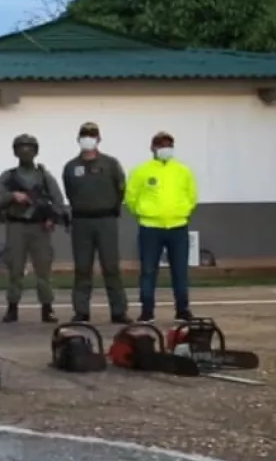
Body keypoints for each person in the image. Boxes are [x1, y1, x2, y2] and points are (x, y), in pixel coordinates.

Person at [0, 134, 66, 324]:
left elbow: (58, 201)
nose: (25, 151)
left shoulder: (44, 177)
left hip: (39, 228)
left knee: (43, 270)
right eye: (21, 148)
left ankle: (47, 308)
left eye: (29, 148)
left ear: (36, 151)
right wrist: (12, 196)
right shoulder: (8, 177)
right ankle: (12, 308)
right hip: (16, 226)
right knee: (15, 269)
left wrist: (51, 218)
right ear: (15, 152)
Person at [125, 131, 198, 323]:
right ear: (152, 148)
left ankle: (182, 310)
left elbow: (192, 195)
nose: (165, 149)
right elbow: (131, 196)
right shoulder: (141, 171)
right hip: (150, 227)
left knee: (180, 271)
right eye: (161, 145)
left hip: (178, 226)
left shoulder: (183, 171)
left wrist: (183, 211)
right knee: (148, 271)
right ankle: (147, 310)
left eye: (168, 146)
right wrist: (143, 212)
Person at [62, 122, 131, 324]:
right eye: (84, 135)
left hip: (106, 220)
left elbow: (121, 188)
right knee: (82, 268)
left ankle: (118, 311)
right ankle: (81, 311)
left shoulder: (110, 164)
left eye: (92, 136)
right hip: (81, 222)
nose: (88, 139)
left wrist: (111, 208)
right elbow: (70, 192)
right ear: (78, 139)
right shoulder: (71, 167)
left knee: (111, 266)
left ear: (99, 139)